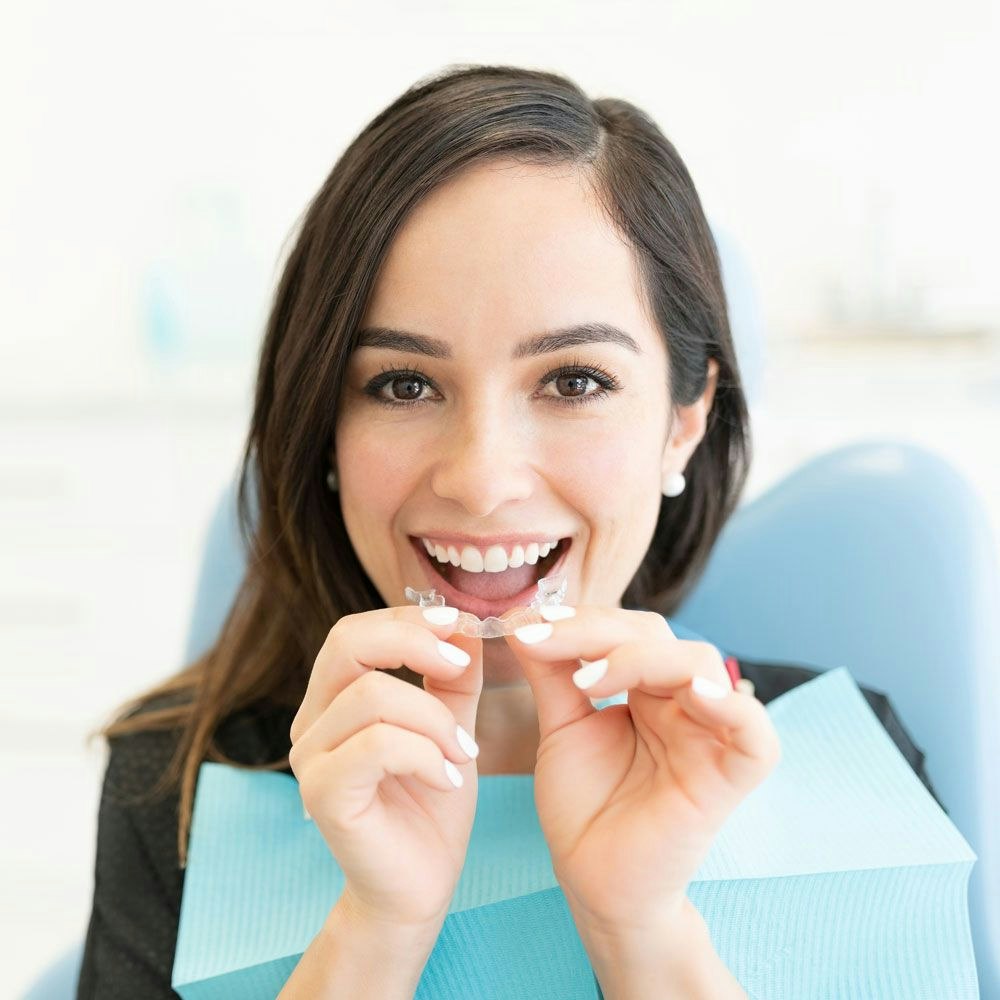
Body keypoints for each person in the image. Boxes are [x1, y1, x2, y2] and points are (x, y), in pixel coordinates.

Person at [77, 63, 940, 999]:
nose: (483, 481)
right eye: (403, 385)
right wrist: (375, 936)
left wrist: (639, 933)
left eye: (574, 381)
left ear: (683, 421)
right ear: (325, 428)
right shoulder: (176, 789)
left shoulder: (852, 758)